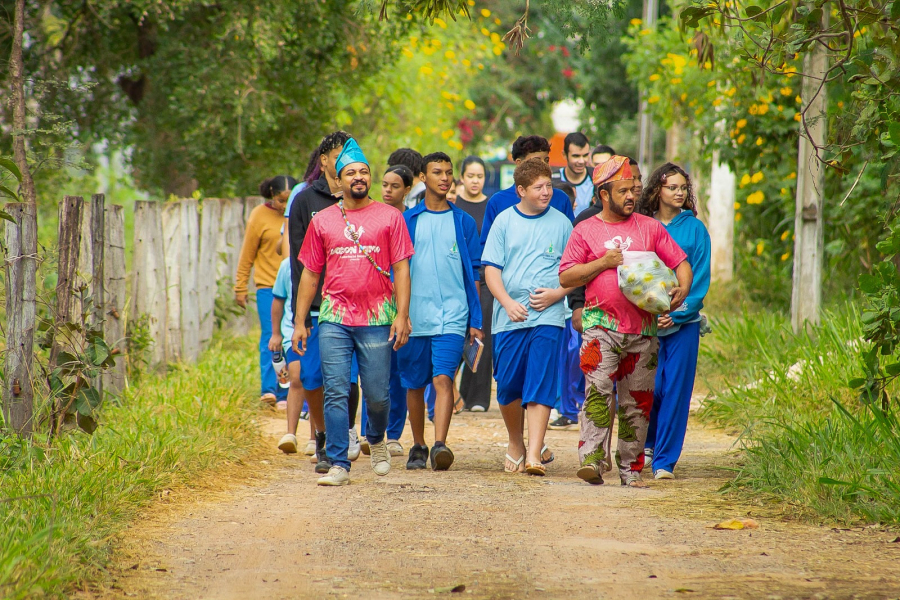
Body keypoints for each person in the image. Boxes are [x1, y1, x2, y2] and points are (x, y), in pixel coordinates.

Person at [559, 156, 692, 488]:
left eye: (633, 189)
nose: (632, 195)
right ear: (604, 194)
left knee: (638, 402)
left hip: (643, 331)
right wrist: (603, 263)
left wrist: (682, 288)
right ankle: (592, 460)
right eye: (623, 191)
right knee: (598, 393)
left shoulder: (650, 227)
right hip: (599, 327)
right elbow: (566, 277)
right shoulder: (585, 229)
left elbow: (681, 263)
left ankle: (631, 469)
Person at [293, 138, 414, 486]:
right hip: (334, 317)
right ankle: (338, 462)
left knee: (377, 395)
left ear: (369, 178)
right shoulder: (322, 221)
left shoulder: (391, 217)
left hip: (377, 318)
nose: (358, 177)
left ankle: (375, 438)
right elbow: (310, 274)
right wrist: (300, 322)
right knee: (336, 391)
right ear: (338, 179)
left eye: (363, 171)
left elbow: (402, 269)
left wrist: (402, 314)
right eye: (351, 172)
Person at [482, 157, 573, 476]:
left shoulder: (562, 223)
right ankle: (515, 442)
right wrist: (507, 303)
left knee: (540, 381)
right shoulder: (504, 221)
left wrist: (557, 294)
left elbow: (574, 271)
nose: (546, 192)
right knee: (508, 384)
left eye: (549, 186)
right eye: (538, 187)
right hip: (509, 317)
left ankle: (534, 453)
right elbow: (491, 269)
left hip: (548, 315)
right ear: (521, 190)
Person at [398, 152, 483, 471]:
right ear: (422, 177)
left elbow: (474, 273)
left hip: (453, 316)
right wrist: (400, 314)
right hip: (414, 317)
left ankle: (440, 445)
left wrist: (475, 319)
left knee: (443, 378)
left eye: (449, 172)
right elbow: (396, 271)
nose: (445, 178)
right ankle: (418, 445)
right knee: (414, 384)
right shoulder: (408, 221)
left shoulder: (463, 222)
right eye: (437, 172)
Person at [288, 132, 365, 473]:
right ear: (324, 161)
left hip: (353, 308)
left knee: (348, 380)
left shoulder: (360, 199)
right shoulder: (304, 201)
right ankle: (321, 433)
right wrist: (300, 317)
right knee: (313, 378)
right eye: (338, 156)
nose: (346, 162)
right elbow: (299, 264)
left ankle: (341, 435)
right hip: (318, 306)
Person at [637, 163, 710, 480]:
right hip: (646, 323)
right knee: (650, 388)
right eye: (672, 187)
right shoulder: (642, 225)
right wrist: (652, 312)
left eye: (683, 188)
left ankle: (664, 461)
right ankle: (647, 444)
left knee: (675, 391)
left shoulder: (695, 229)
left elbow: (700, 278)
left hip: (684, 324)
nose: (679, 193)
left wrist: (677, 312)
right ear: (657, 190)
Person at [236, 175, 297, 407]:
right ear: (271, 195)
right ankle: (270, 389)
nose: (284, 205)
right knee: (271, 336)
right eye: (281, 200)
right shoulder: (259, 216)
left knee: (292, 336)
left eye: (289, 200)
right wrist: (240, 286)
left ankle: (286, 392)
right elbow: (247, 254)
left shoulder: (299, 213)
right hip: (268, 286)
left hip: (294, 286)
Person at [455, 156, 492, 412]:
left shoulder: (491, 205)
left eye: (480, 176)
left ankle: (477, 396)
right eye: (471, 176)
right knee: (455, 332)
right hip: (456, 276)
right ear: (462, 177)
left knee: (480, 333)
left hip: (485, 277)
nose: (475, 181)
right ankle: (449, 391)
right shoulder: (453, 204)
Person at [269, 258, 315, 454]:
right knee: (296, 377)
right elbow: (278, 300)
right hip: (292, 330)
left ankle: (315, 437)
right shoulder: (286, 265)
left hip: (319, 327)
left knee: (315, 380)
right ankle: (290, 434)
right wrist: (276, 333)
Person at [555, 132, 594, 216]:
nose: (581, 161)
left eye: (585, 155)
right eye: (576, 156)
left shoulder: (597, 178)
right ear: (564, 155)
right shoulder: (552, 180)